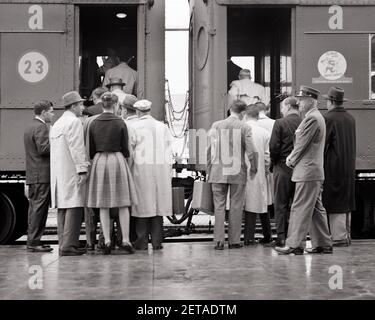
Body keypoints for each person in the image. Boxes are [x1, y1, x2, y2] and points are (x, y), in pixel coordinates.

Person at [275, 86, 332, 255]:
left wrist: (290, 160)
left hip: (307, 172)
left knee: (299, 207)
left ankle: (294, 244)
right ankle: (323, 243)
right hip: (312, 172)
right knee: (315, 208)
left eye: (301, 100)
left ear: (310, 100)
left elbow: (302, 145)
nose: (298, 103)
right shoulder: (313, 117)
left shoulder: (312, 119)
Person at [86, 92, 137, 255]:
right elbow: (126, 148)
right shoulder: (121, 122)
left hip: (100, 160)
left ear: (102, 105)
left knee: (103, 204)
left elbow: (91, 149)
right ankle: (126, 240)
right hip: (117, 159)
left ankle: (107, 240)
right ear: (115, 106)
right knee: (123, 202)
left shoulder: (93, 123)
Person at [207, 100, 258, 250]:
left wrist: (209, 170)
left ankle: (218, 241)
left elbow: (209, 150)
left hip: (218, 172)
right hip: (237, 172)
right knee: (236, 206)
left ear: (230, 110)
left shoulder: (216, 125)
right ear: (243, 113)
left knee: (219, 206)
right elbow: (252, 151)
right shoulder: (245, 127)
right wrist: (253, 169)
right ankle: (234, 241)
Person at [50, 91, 90, 256]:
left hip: (60, 172)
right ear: (73, 106)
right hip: (71, 170)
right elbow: (77, 148)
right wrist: (82, 169)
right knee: (74, 206)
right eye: (80, 104)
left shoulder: (58, 123)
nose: (82, 107)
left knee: (63, 208)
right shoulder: (73, 122)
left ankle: (63, 243)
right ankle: (69, 246)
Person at [131, 99, 173, 250]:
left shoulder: (133, 127)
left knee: (142, 205)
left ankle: (141, 242)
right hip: (160, 170)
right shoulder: (162, 127)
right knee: (158, 205)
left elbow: (130, 151)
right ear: (149, 110)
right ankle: (157, 242)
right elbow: (169, 150)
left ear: (137, 112)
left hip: (141, 170)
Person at [322, 86, 356, 247]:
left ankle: (337, 237)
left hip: (332, 166)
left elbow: (323, 145)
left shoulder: (328, 118)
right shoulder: (350, 118)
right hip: (348, 166)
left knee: (333, 200)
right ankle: (345, 234)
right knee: (345, 200)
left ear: (331, 101)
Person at [269, 96, 301, 247]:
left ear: (288, 107)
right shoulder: (305, 121)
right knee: (297, 204)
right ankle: (295, 237)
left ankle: (281, 237)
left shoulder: (280, 123)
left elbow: (273, 147)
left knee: (280, 203)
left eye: (282, 107)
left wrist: (273, 163)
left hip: (282, 167)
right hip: (300, 169)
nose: (281, 110)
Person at [24, 100, 55, 252]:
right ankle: (34, 242)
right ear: (43, 112)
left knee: (35, 208)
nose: (52, 114)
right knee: (39, 209)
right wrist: (56, 141)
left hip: (34, 174)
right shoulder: (41, 127)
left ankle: (34, 241)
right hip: (41, 175)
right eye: (51, 111)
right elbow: (43, 149)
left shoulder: (30, 126)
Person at [243, 105, 272, 245]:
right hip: (259, 172)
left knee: (246, 204)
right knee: (261, 203)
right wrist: (265, 170)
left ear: (245, 115)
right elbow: (267, 156)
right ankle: (267, 235)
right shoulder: (264, 133)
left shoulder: (240, 130)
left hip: (242, 172)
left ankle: (247, 237)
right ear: (258, 116)